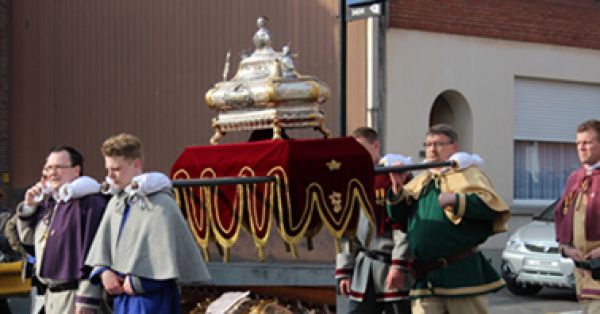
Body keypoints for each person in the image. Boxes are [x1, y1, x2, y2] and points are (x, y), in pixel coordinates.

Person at [386, 124, 510, 314]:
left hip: (461, 275)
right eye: (428, 145)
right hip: (426, 277)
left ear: (454, 147)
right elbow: (400, 219)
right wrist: (396, 188)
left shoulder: (470, 175)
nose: (432, 150)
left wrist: (457, 200)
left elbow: (490, 207)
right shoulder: (421, 181)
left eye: (438, 144)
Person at [85, 133, 210, 314]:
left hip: (152, 300)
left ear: (136, 164)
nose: (110, 176)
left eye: (117, 169)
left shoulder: (160, 203)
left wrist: (141, 282)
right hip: (122, 300)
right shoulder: (116, 202)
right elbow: (102, 248)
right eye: (108, 169)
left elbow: (166, 258)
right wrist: (104, 272)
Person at [16, 146, 108, 314]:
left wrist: (87, 299)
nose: (52, 172)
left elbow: (93, 253)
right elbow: (29, 241)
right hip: (49, 295)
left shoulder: (88, 203)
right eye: (49, 167)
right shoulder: (50, 203)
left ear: (76, 170)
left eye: (59, 167)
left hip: (74, 297)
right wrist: (29, 208)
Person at [336, 127, 412, 313]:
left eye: (361, 148)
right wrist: (345, 269)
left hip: (391, 266)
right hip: (364, 270)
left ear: (375, 146)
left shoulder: (395, 177)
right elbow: (346, 229)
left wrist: (398, 264)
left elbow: (403, 225)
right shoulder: (352, 180)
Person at [555, 119, 600, 313]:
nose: (581, 148)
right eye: (578, 143)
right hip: (582, 271)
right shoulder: (575, 178)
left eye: (587, 143)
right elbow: (561, 215)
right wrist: (565, 247)